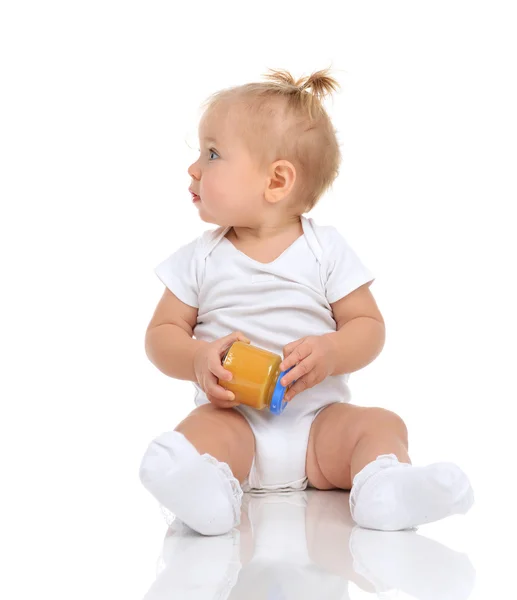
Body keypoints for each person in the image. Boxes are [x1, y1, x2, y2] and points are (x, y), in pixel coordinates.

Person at [139, 67, 474, 536]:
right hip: (235, 423)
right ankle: (206, 495)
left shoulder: (325, 250)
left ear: (276, 181)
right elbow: (161, 335)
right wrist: (196, 357)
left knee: (380, 423)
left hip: (319, 426)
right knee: (199, 433)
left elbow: (368, 326)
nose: (193, 168)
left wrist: (332, 351)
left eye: (212, 154)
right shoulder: (199, 258)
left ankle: (385, 488)